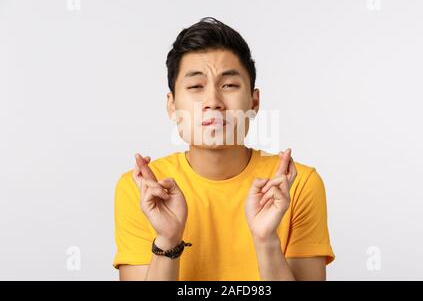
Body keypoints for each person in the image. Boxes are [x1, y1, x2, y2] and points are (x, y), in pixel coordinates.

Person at [113, 17, 335, 280]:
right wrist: (168, 239)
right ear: (172, 106)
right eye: (196, 86)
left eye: (229, 85)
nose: (213, 102)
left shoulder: (295, 184)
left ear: (254, 102)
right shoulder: (142, 190)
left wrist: (266, 241)